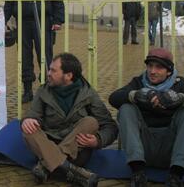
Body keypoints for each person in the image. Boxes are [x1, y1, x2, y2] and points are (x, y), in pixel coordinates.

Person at [109, 48, 184, 187]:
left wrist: (179, 99)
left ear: (169, 71)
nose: (152, 71)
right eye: (150, 66)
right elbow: (114, 98)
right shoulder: (138, 82)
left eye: (159, 67)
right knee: (126, 108)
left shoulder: (180, 84)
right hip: (143, 150)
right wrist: (135, 95)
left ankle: (176, 175)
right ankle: (138, 173)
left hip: (170, 150)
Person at [21, 53, 118, 186]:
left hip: (76, 150)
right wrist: (28, 119)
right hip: (49, 143)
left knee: (91, 122)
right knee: (28, 130)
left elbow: (110, 126)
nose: (48, 73)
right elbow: (33, 114)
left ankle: (46, 166)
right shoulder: (43, 91)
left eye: (53, 70)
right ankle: (73, 172)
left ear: (68, 76)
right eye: (49, 69)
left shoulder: (88, 94)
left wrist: (98, 140)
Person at [4, 0, 65, 103]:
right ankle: (27, 90)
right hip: (23, 23)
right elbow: (9, 2)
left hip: (44, 22)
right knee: (24, 57)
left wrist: (58, 20)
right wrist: (2, 22)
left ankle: (48, 88)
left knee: (45, 56)